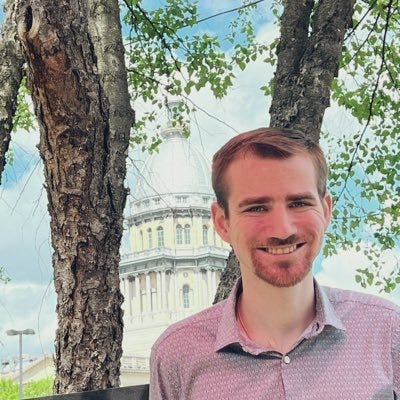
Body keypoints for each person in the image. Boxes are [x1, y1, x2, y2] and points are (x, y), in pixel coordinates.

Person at [150, 127, 399, 399]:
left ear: (326, 210)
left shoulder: (388, 331)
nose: (282, 230)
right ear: (222, 223)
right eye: (256, 208)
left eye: (299, 203)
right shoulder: (177, 355)